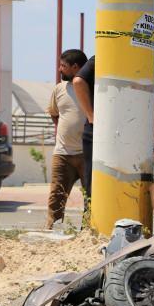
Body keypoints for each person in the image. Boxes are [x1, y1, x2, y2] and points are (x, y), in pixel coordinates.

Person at [46, 49, 88, 229]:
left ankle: (89, 232)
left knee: (92, 198)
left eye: (63, 66)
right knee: (56, 196)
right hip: (62, 154)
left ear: (75, 67)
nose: (59, 69)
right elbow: (54, 113)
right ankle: (52, 230)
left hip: (88, 155)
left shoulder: (92, 88)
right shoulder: (59, 89)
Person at [71, 55, 95, 201]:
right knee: (92, 183)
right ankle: (89, 221)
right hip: (97, 131)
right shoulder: (102, 57)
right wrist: (91, 115)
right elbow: (78, 81)